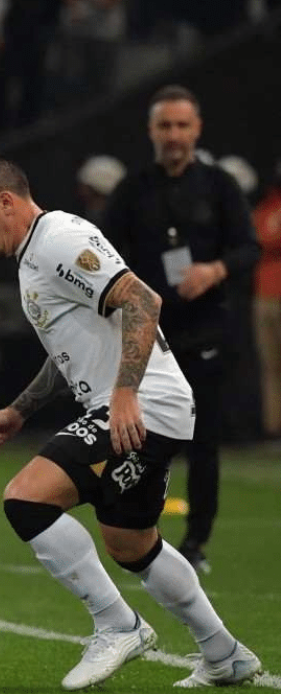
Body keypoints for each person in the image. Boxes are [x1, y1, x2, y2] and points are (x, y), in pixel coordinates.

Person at [0, 149, 262, 690]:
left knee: (26, 498)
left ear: (4, 201)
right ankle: (225, 654)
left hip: (144, 406)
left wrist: (123, 394)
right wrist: (20, 409)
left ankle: (118, 625)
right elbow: (66, 346)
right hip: (144, 406)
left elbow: (142, 299)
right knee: (133, 545)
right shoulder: (35, 255)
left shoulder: (58, 239)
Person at [101, 85, 261, 574]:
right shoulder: (132, 190)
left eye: (182, 125)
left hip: (207, 330)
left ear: (197, 129)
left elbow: (248, 247)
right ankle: (138, 536)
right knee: (140, 439)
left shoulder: (219, 186)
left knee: (204, 443)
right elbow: (107, 252)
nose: (173, 135)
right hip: (149, 337)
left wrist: (214, 270)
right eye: (165, 126)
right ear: (151, 130)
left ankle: (196, 542)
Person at [253, 160, 281, 440]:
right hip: (265, 296)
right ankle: (274, 431)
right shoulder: (267, 208)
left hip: (268, 295)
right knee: (271, 368)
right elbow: (255, 239)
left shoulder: (266, 210)